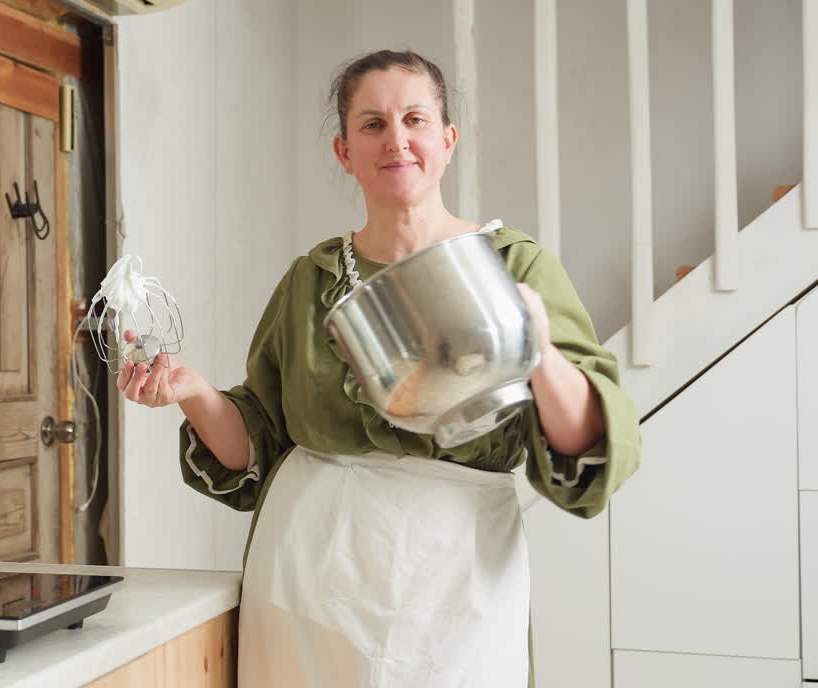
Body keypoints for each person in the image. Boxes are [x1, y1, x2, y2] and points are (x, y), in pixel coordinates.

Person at [116, 50, 641, 687]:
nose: (397, 140)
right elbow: (258, 448)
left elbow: (585, 443)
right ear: (344, 151)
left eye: (415, 119)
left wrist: (540, 353)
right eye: (372, 124)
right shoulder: (310, 281)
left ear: (447, 141)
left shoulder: (515, 267)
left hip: (458, 581)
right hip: (308, 575)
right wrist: (193, 393)